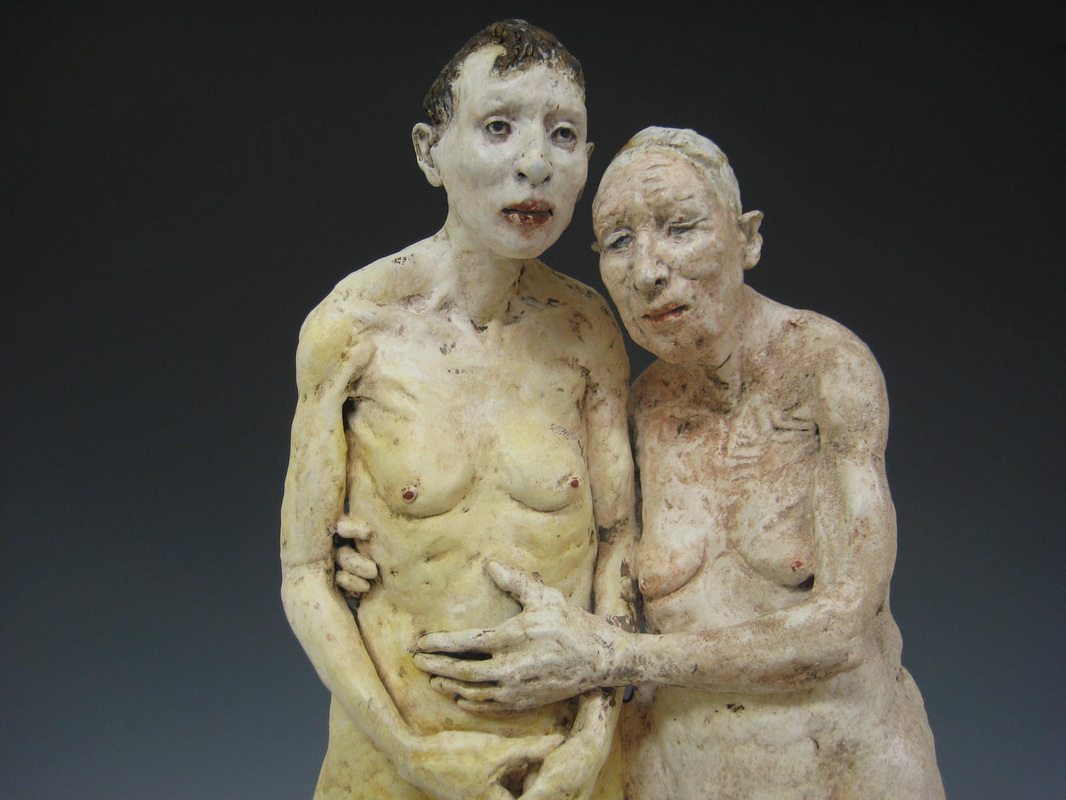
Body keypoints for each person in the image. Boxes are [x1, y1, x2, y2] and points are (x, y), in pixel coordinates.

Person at [407, 127, 945, 798]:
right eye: (619, 242)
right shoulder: (637, 409)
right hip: (676, 775)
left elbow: (842, 630)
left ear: (747, 239)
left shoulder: (826, 371)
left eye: (680, 228)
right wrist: (369, 542)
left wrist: (617, 657)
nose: (648, 272)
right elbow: (540, 537)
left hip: (844, 771)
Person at [280, 21, 636, 800]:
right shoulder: (354, 329)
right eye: (499, 126)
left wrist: (593, 739)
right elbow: (304, 573)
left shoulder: (588, 332)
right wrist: (411, 752)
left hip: (564, 763)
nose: (536, 163)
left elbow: (619, 544)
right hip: (395, 756)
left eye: (563, 134)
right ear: (429, 152)